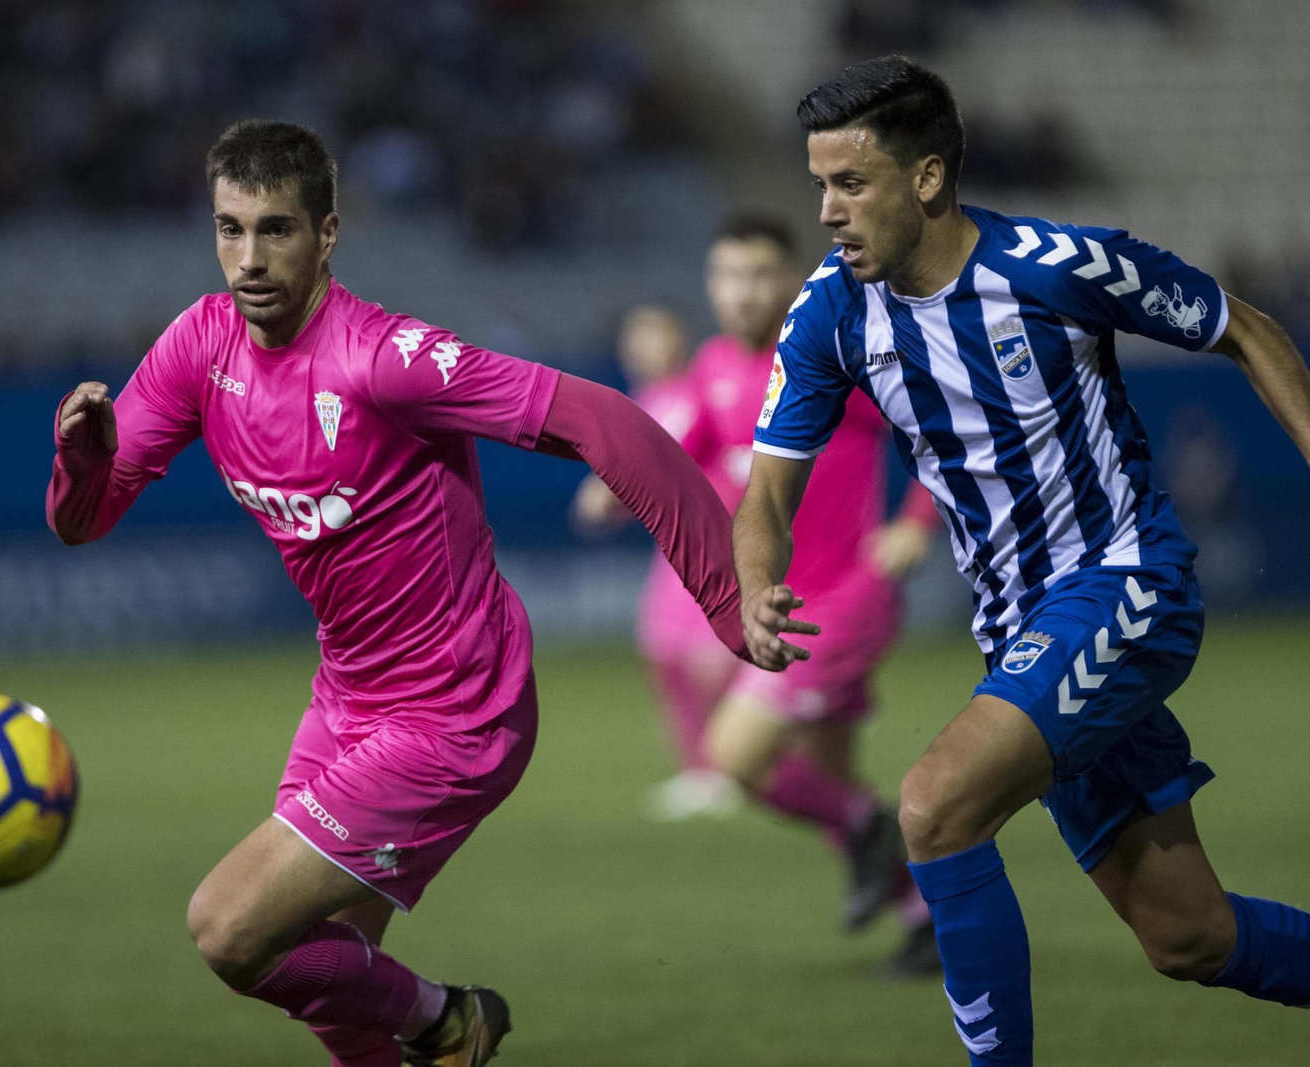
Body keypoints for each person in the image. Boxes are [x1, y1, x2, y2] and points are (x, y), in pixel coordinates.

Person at [46, 119, 745, 1067]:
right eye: (229, 228)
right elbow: (85, 519)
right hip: (348, 697)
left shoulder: (385, 359)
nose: (248, 258)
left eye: (276, 230)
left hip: (457, 708)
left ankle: (453, 1021)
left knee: (230, 926)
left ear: (327, 234)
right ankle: (432, 1030)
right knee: (330, 972)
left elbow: (602, 419)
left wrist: (730, 602)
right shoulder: (198, 348)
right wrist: (78, 463)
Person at [738, 55, 1310, 1064]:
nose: (826, 209)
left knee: (934, 805)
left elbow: (1245, 329)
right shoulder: (830, 315)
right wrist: (752, 578)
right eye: (820, 183)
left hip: (1128, 583)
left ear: (926, 178)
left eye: (849, 182)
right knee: (1188, 935)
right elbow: (765, 491)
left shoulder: (1056, 264)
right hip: (1021, 637)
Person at [579, 216, 943, 974]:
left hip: (845, 598)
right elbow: (686, 447)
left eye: (757, 275)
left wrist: (914, 522)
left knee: (735, 754)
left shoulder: (834, 357)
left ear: (791, 280)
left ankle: (873, 828)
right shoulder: (715, 366)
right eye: (725, 276)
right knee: (831, 777)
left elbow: (938, 432)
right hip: (781, 603)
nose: (739, 293)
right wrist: (621, 484)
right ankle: (924, 920)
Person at [573, 304, 747, 821]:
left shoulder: (696, 390)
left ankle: (731, 766)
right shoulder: (646, 400)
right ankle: (701, 770)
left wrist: (604, 494)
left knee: (711, 660)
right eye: (636, 337)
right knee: (664, 655)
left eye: (654, 334)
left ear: (678, 338)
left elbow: (663, 458)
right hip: (672, 550)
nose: (643, 347)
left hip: (712, 540)